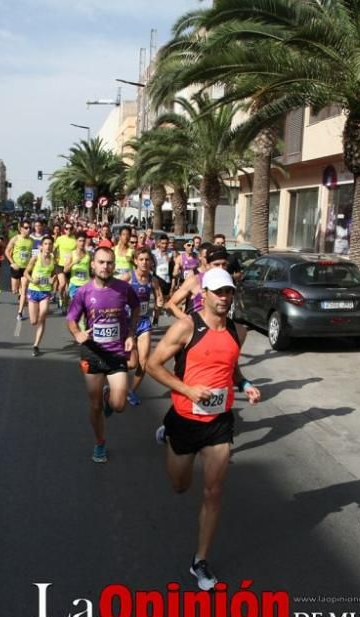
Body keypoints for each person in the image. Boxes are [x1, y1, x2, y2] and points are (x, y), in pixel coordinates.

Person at [146, 268, 261, 591]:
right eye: (219, 292)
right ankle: (167, 432)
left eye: (229, 292)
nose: (225, 297)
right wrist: (187, 390)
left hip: (219, 422)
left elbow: (230, 365)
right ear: (205, 295)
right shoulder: (186, 327)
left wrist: (246, 384)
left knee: (213, 491)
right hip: (184, 419)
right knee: (180, 486)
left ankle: (200, 561)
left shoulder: (239, 331)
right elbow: (152, 365)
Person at [67, 247, 140, 464]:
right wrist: (77, 333)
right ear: (93, 264)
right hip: (93, 353)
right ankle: (100, 442)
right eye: (101, 262)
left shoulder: (124, 289)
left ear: (114, 265)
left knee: (119, 405)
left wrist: (130, 332)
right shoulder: (84, 292)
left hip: (117, 354)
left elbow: (136, 308)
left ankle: (110, 396)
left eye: (109, 262)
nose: (105, 266)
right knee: (95, 405)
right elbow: (71, 318)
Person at [123, 247, 164, 407]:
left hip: (143, 323)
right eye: (141, 259)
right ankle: (114, 376)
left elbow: (159, 298)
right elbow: (111, 289)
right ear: (135, 261)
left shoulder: (153, 280)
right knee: (131, 363)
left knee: (144, 362)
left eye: (147, 259)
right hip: (127, 323)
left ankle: (131, 391)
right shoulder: (128, 277)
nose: (145, 262)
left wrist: (159, 305)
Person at [23, 235, 56, 356]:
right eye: (46, 244)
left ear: (52, 246)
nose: (48, 246)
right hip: (33, 290)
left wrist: (53, 280)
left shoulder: (53, 259)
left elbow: (54, 274)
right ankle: (38, 321)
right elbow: (26, 272)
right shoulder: (35, 258)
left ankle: (36, 345)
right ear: (41, 246)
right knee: (33, 321)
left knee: (42, 317)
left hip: (45, 292)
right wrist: (32, 280)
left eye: (50, 244)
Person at [5, 220, 34, 319]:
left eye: (29, 227)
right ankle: (19, 294)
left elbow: (31, 254)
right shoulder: (15, 239)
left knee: (24, 289)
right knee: (14, 290)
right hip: (16, 267)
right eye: (26, 227)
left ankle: (20, 312)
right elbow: (7, 252)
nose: (28, 229)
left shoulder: (31, 240)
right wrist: (12, 263)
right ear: (20, 229)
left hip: (26, 268)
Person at [151, 234, 175, 324]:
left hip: (167, 280)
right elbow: (150, 265)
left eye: (166, 243)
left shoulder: (171, 253)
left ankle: (158, 313)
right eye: (162, 243)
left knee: (164, 300)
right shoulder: (153, 253)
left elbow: (173, 269)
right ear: (158, 243)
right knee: (159, 298)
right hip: (157, 279)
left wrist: (171, 261)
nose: (164, 245)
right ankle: (155, 319)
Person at [54, 221, 79, 310]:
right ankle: (60, 297)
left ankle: (65, 304)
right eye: (66, 228)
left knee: (68, 289)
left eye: (70, 228)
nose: (68, 230)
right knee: (62, 284)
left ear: (73, 230)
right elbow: (53, 249)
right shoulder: (60, 239)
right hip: (60, 265)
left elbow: (78, 252)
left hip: (70, 266)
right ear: (64, 230)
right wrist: (53, 258)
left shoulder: (75, 241)